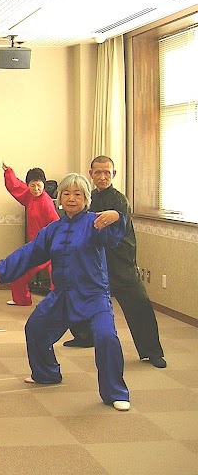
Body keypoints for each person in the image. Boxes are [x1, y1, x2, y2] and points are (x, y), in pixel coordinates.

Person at [0, 173, 131, 411]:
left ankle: (115, 393)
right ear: (59, 198)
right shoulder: (53, 229)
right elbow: (31, 252)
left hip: (93, 295)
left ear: (86, 198)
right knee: (35, 328)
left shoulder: (95, 222)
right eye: (66, 193)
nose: (71, 198)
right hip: (62, 295)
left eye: (77, 194)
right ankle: (46, 373)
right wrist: (1, 268)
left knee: (106, 337)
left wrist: (117, 216)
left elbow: (113, 236)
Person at [62, 156, 166, 368]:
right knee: (78, 295)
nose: (102, 177)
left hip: (120, 262)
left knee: (139, 303)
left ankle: (151, 351)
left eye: (107, 173)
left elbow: (120, 223)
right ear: (91, 174)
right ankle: (84, 336)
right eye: (98, 172)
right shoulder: (88, 198)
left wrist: (115, 216)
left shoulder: (120, 200)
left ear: (113, 174)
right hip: (94, 261)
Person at [2, 163, 59, 306]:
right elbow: (16, 186)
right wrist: (9, 172)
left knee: (57, 275)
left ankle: (59, 302)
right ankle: (21, 298)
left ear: (44, 185)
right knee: (19, 270)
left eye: (39, 185)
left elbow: (56, 223)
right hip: (35, 245)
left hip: (47, 246)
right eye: (32, 185)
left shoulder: (46, 202)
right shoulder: (29, 195)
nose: (36, 189)